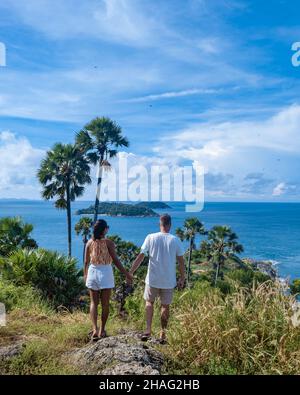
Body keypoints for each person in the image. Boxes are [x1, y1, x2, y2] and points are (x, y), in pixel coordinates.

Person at [130, 214, 185, 343]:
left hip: (152, 278)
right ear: (170, 225)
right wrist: (182, 278)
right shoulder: (175, 240)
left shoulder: (151, 237)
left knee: (149, 302)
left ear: (160, 224)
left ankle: (148, 330)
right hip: (168, 280)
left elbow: (141, 256)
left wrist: (131, 271)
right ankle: (163, 334)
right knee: (165, 306)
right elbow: (181, 262)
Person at [84, 219, 133, 341]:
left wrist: (85, 276)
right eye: (107, 227)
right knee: (105, 304)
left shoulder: (89, 243)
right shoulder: (109, 243)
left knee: (93, 303)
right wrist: (127, 274)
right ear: (104, 229)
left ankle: (95, 328)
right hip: (105, 272)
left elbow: (85, 262)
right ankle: (102, 330)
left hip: (92, 271)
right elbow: (116, 261)